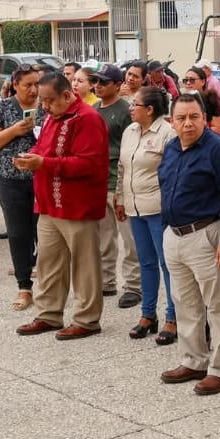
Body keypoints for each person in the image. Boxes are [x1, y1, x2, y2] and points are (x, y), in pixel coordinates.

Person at [156, 93, 220, 394]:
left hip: (207, 235)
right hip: (175, 235)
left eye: (194, 117)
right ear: (172, 121)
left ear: (204, 118)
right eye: (180, 118)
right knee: (185, 303)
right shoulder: (171, 148)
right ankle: (193, 359)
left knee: (217, 305)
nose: (187, 123)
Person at [18, 71, 111, 340]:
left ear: (68, 95)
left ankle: (87, 319)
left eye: (49, 100)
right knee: (49, 263)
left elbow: (90, 163)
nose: (44, 106)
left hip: (77, 204)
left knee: (84, 265)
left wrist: (43, 163)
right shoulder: (52, 117)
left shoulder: (88, 118)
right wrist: (32, 156)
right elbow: (43, 147)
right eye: (42, 101)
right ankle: (49, 313)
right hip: (49, 203)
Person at [118, 86, 178, 343]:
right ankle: (147, 315)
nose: (130, 108)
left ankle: (173, 318)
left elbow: (173, 173)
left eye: (135, 105)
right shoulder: (129, 132)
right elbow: (122, 168)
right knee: (146, 262)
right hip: (134, 207)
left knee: (167, 264)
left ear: (150, 109)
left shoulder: (168, 133)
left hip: (158, 208)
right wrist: (119, 197)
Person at [0, 65, 42, 310]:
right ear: (15, 84)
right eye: (28, 84)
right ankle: (24, 286)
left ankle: (48, 283)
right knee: (18, 234)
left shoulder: (47, 106)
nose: (33, 89)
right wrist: (13, 130)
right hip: (11, 180)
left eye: (37, 84)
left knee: (46, 234)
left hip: (41, 179)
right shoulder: (3, 107)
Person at [85, 64, 140, 307]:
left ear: (118, 85)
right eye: (95, 81)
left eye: (103, 82)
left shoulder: (127, 110)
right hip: (98, 181)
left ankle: (133, 286)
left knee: (129, 239)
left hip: (120, 182)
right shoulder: (94, 109)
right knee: (104, 237)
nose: (97, 86)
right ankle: (107, 282)